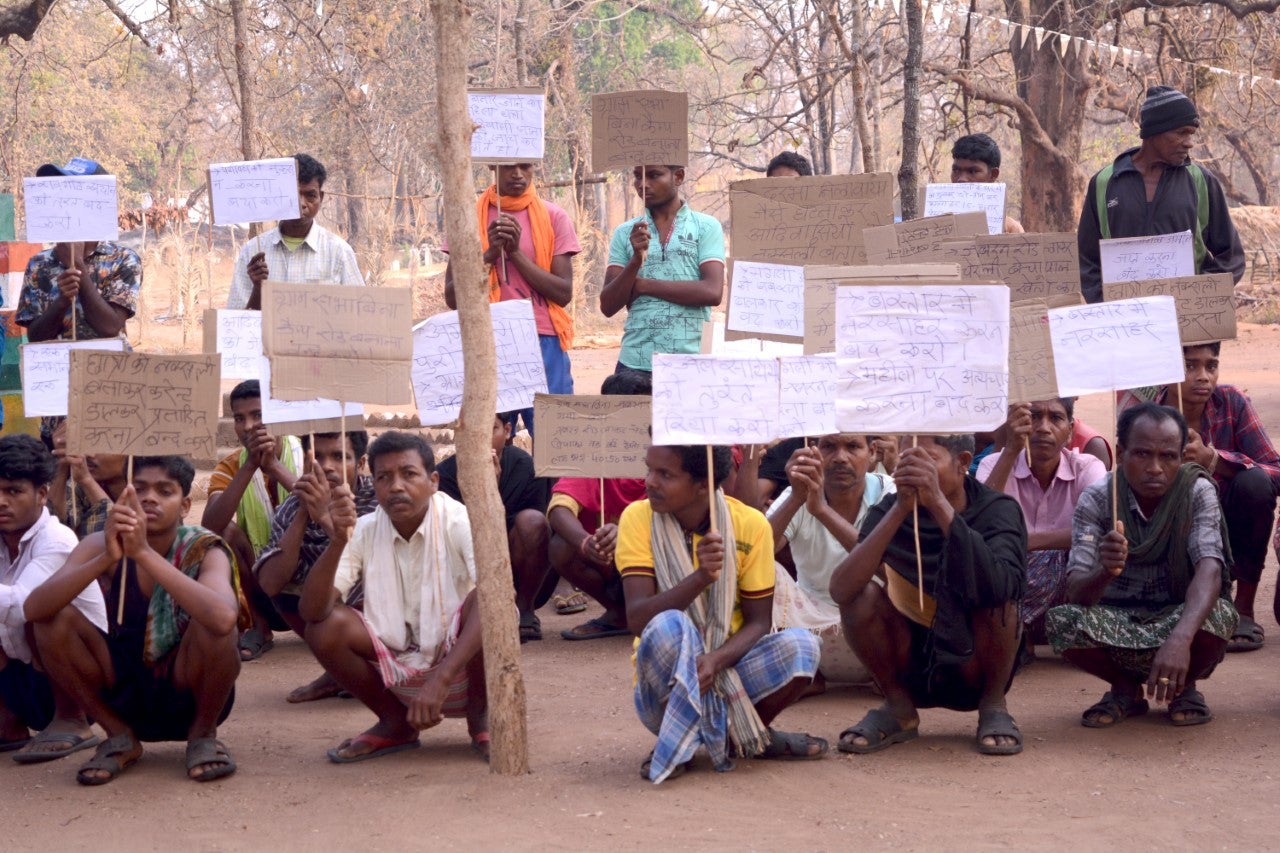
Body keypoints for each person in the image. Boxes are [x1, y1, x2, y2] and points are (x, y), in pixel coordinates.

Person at [25, 456, 241, 785]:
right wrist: (108, 558)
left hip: (187, 689)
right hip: (121, 690)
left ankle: (203, 736)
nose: (148, 498)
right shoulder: (98, 545)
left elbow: (224, 618)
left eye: (164, 491)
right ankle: (118, 737)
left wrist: (144, 554)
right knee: (52, 621)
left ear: (184, 506)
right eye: (138, 489)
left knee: (214, 626)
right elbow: (34, 610)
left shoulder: (203, 549)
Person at [619, 444, 824, 784]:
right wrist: (701, 577)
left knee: (803, 648)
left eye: (665, 475)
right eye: (649, 470)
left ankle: (737, 736)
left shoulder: (750, 525)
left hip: (728, 672)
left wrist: (715, 660)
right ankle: (678, 743)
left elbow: (760, 621)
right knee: (671, 625)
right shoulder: (638, 518)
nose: (649, 482)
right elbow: (638, 619)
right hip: (662, 687)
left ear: (704, 483)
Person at [299, 431, 490, 763]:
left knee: (491, 602)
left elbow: (498, 600)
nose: (396, 486)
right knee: (325, 627)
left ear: (433, 481)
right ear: (373, 485)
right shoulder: (364, 528)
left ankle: (481, 718)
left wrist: (441, 679)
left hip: (460, 662)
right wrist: (338, 541)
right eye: (384, 478)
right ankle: (395, 723)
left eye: (409, 474)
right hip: (399, 665)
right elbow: (312, 610)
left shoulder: (459, 520)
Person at [829, 435, 1026, 756]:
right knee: (860, 594)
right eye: (907, 461)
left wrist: (937, 502)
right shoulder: (890, 509)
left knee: (1000, 597)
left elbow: (1001, 585)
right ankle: (898, 708)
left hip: (974, 660)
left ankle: (994, 706)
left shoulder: (997, 509)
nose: (915, 472)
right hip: (912, 662)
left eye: (928, 462)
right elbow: (841, 589)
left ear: (963, 463)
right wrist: (900, 510)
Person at [1046, 403, 1237, 728]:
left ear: (1181, 457)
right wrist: (1104, 570)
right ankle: (1125, 689)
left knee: (1220, 615)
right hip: (1117, 619)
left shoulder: (1197, 491)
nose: (1155, 468)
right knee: (1062, 623)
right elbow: (1076, 591)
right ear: (1121, 454)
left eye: (1168, 456)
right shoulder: (1097, 499)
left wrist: (1179, 639)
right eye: (1143, 454)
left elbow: (1210, 569)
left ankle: (1185, 687)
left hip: (1179, 617)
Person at [1153, 342, 1279, 652]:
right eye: (1190, 366)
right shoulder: (1147, 418)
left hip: (1231, 530)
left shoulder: (1232, 402)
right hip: (1175, 533)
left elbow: (1275, 472)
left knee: (1255, 485)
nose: (1203, 377)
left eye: (1211, 366)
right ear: (1164, 371)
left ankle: (1244, 609)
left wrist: (1213, 460)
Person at [444, 163, 581, 436]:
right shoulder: (469, 218)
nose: (517, 174)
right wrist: (491, 254)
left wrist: (515, 253)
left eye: (525, 166)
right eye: (508, 167)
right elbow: (452, 296)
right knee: (488, 440)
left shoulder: (554, 217)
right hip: (488, 342)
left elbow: (563, 292)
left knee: (555, 440)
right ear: (493, 166)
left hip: (543, 341)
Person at [1077, 86, 1244, 304]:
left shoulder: (1200, 180)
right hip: (1126, 327)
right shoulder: (1104, 183)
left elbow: (1231, 257)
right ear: (1154, 131)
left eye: (1191, 134)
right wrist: (1107, 303)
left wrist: (1198, 295)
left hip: (1190, 326)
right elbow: (1086, 260)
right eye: (1181, 132)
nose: (1189, 142)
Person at [17, 158, 142, 448]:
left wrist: (80, 271)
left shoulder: (123, 260)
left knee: (109, 480)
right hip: (56, 397)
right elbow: (35, 336)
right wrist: (61, 301)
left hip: (110, 396)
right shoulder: (39, 265)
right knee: (59, 483)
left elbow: (110, 326)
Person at [0, 436, 106, 764]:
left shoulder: (56, 540)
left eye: (13, 491)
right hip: (25, 679)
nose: (1, 501)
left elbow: (21, 608)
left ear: (41, 495)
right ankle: (9, 724)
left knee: (44, 611)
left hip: (83, 684)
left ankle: (72, 720)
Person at [254, 430, 377, 703]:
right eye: (318, 457)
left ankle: (370, 670)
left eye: (339, 456)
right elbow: (271, 583)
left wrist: (323, 517)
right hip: (324, 607)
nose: (328, 466)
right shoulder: (291, 506)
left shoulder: (377, 497)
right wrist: (303, 512)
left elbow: (371, 566)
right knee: (284, 581)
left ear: (360, 463)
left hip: (378, 610)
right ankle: (337, 671)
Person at [978, 400, 1106, 660]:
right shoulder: (993, 464)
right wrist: (1012, 449)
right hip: (1010, 582)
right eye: (1034, 417)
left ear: (1070, 430)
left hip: (1065, 590)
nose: (1043, 427)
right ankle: (1015, 631)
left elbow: (1097, 530)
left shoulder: (1088, 467)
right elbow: (980, 521)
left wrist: (1026, 541)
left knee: (1082, 556)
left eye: (1055, 418)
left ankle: (1019, 630)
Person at [767, 434, 895, 690]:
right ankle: (808, 678)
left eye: (852, 446)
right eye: (828, 447)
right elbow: (757, 552)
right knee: (762, 573)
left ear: (872, 453)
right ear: (814, 452)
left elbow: (893, 570)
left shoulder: (890, 492)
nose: (839, 457)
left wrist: (821, 512)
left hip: (880, 636)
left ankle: (890, 682)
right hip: (810, 638)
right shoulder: (799, 491)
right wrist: (796, 498)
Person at [202, 380, 303, 661]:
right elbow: (210, 527)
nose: (248, 426)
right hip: (265, 586)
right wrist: (250, 466)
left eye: (258, 415)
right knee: (226, 533)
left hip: (312, 585)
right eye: (239, 418)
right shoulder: (232, 464)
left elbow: (324, 509)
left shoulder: (307, 454)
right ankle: (260, 625)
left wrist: (273, 467)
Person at [550, 368, 650, 640]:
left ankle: (657, 615)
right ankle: (619, 613)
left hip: (654, 554)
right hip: (607, 559)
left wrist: (629, 531)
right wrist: (585, 542)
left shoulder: (667, 453)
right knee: (561, 546)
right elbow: (560, 508)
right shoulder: (594, 451)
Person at [436, 413, 551, 642]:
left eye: (491, 429)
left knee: (532, 522)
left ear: (507, 431)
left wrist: (495, 490)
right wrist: (484, 490)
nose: (480, 438)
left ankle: (525, 610)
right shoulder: (444, 475)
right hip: (467, 564)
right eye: (470, 430)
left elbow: (539, 533)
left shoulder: (526, 467)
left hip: (518, 563)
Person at [600, 165, 726, 373]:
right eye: (637, 177)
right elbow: (608, 306)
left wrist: (643, 285)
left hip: (690, 360)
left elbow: (712, 292)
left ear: (678, 177)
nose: (643, 184)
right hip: (635, 362)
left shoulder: (705, 226)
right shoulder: (625, 233)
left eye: (653, 175)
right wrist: (635, 259)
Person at [227, 153, 364, 310]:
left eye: (310, 196)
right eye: (293, 194)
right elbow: (236, 323)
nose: (301, 204)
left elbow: (359, 316)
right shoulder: (252, 252)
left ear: (321, 197)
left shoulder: (339, 252)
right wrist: (258, 288)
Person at [47, 419, 128, 538]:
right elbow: (55, 526)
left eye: (103, 445)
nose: (89, 454)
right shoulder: (79, 487)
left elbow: (120, 537)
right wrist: (63, 460)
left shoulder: (148, 489)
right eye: (87, 442)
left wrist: (87, 480)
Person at [950, 133, 1024, 233]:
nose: (961, 179)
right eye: (956, 170)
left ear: (993, 175)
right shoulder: (935, 223)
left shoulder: (1011, 229)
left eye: (972, 171)